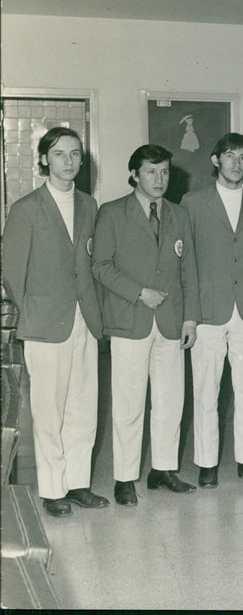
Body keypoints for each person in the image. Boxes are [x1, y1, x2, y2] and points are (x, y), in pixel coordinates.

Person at [2, 127, 108, 517]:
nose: (69, 161)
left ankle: (78, 483)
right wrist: (35, 310)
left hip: (85, 317)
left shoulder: (89, 205)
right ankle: (52, 488)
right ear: (45, 159)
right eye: (60, 154)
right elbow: (12, 273)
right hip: (46, 322)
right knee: (49, 408)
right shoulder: (27, 208)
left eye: (76, 154)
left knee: (84, 404)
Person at [92, 145, 200, 506]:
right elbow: (101, 266)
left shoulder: (178, 214)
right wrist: (140, 292)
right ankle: (124, 477)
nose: (159, 180)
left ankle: (164, 470)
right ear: (135, 174)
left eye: (165, 172)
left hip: (171, 322)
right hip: (130, 320)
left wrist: (190, 318)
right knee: (129, 402)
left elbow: (189, 270)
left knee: (171, 400)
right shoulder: (112, 213)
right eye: (152, 172)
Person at [181, 133, 243, 488]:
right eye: (230, 156)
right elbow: (186, 261)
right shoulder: (192, 202)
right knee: (206, 390)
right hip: (207, 311)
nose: (238, 163)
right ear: (216, 160)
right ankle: (206, 463)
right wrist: (190, 311)